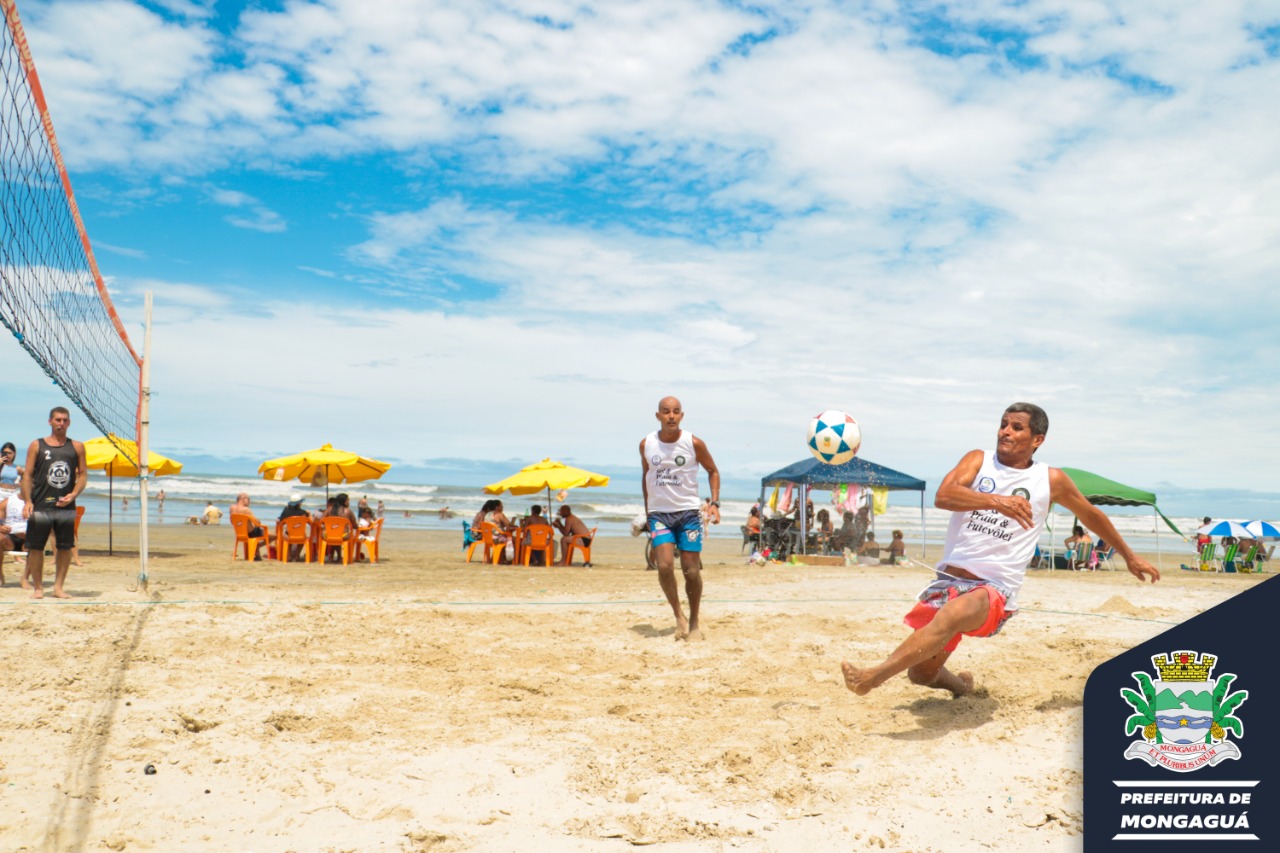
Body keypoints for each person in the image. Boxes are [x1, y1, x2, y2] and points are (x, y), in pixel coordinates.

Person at [841, 403, 1159, 698]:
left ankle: (873, 676)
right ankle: (962, 687)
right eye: (1003, 424)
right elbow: (945, 495)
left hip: (993, 589)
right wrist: (996, 501)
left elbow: (1091, 515)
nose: (1005, 431)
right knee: (922, 674)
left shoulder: (1050, 479)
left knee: (955, 613)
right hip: (947, 583)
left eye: (1016, 427)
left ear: (1038, 439)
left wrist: (1129, 555)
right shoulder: (978, 460)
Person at [640, 396, 720, 641]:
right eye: (666, 412)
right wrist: (648, 510)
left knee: (691, 571)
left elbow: (713, 471)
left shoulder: (693, 442)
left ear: (681, 416)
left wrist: (714, 503)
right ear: (658, 416)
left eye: (675, 412)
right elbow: (646, 477)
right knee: (664, 565)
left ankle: (695, 620)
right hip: (659, 514)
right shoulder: (646, 444)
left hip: (688, 514)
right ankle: (679, 615)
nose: (671, 416)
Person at [20, 407, 88, 599]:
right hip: (40, 504)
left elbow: (83, 475)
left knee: (65, 547)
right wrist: (27, 501)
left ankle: (58, 588)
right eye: (58, 420)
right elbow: (28, 475)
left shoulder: (77, 446)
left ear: (69, 423)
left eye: (65, 420)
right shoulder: (37, 445)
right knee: (35, 548)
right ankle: (38, 588)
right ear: (50, 421)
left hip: (65, 506)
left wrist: (74, 494)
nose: (61, 423)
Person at [0, 470, 29, 584]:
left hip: (28, 539)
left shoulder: (38, 503)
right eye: (26, 481)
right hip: (10, 538)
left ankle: (25, 578)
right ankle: (0, 574)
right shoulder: (9, 501)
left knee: (36, 541)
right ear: (20, 483)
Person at [230, 493, 274, 560]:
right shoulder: (246, 510)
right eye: (248, 499)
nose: (249, 501)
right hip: (252, 533)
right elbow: (257, 522)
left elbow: (232, 521)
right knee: (275, 536)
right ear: (243, 499)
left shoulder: (232, 508)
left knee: (256, 530)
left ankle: (257, 553)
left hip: (240, 533)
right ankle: (257, 547)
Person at [277, 493, 310, 561]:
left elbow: (280, 522)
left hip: (289, 535)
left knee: (287, 535)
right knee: (304, 537)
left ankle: (289, 556)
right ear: (298, 504)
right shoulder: (303, 512)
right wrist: (309, 514)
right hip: (300, 535)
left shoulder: (286, 511)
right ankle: (297, 556)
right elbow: (310, 522)